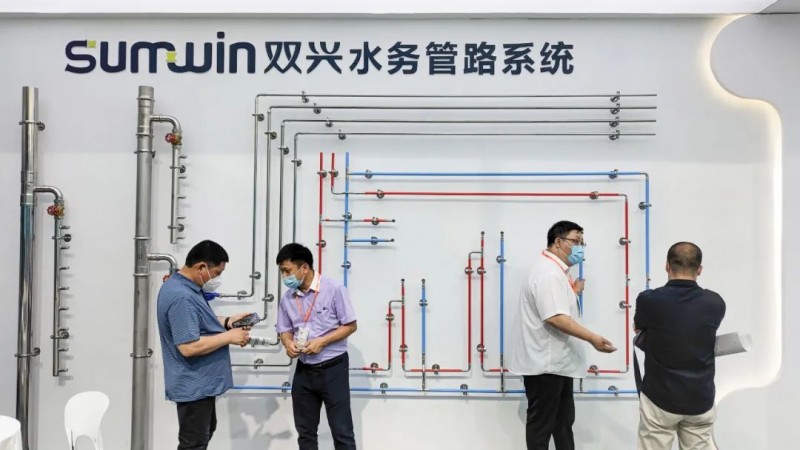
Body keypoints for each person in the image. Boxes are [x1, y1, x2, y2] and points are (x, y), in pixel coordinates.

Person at [508, 220, 617, 450]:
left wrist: (572, 292)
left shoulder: (556, 272)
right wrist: (592, 338)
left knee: (563, 422)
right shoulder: (548, 274)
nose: (580, 247)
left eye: (582, 242)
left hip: (556, 364)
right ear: (558, 242)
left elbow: (554, 307)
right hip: (546, 366)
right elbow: (555, 317)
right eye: (576, 241)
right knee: (542, 425)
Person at [156, 239, 254, 450]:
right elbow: (188, 346)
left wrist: (227, 322)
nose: (216, 278)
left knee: (203, 435)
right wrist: (229, 337)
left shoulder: (187, 288)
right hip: (193, 385)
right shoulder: (181, 297)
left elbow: (195, 321)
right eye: (216, 273)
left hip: (200, 385)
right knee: (194, 444)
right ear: (201, 267)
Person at [634, 242, 726, 450]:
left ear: (667, 266)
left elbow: (638, 328)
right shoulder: (715, 302)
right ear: (700, 269)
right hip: (700, 397)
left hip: (659, 396)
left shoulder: (649, 300)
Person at [275, 243, 358, 450]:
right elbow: (285, 330)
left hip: (333, 368)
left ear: (304, 268)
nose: (284, 277)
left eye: (287, 271)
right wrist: (288, 343)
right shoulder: (288, 298)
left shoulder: (334, 289)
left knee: (342, 431)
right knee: (305, 433)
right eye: (282, 272)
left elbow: (350, 325)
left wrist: (322, 341)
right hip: (304, 370)